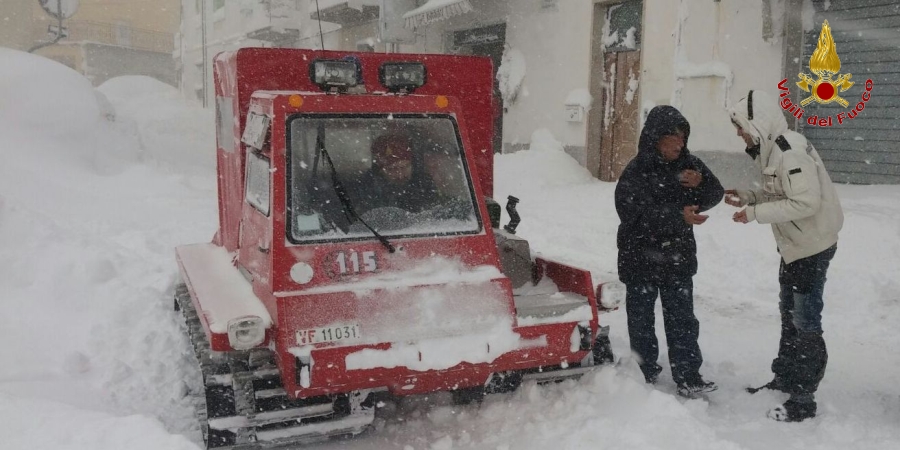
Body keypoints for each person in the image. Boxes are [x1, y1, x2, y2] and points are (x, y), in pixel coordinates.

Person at [725, 90, 843, 422]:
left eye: (740, 126)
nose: (739, 134)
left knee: (805, 320)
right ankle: (786, 377)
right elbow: (781, 192)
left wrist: (753, 214)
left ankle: (804, 399)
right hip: (796, 247)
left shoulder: (789, 152)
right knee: (789, 312)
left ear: (756, 123)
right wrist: (750, 196)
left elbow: (806, 203)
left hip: (811, 248)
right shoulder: (776, 149)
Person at [615, 105, 724, 397]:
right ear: (655, 138)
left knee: (683, 319)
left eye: (683, 137)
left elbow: (716, 193)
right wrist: (678, 216)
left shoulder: (689, 165)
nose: (679, 144)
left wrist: (702, 183)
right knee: (641, 320)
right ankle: (643, 373)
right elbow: (631, 213)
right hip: (640, 256)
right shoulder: (637, 170)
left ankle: (688, 375)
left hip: (677, 257)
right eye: (672, 138)